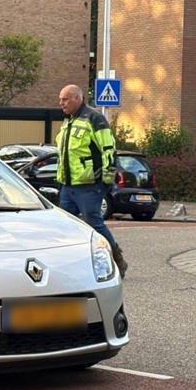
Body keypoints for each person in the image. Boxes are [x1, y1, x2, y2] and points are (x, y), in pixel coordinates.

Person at [54, 84, 128, 278]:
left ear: (77, 98)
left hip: (89, 185)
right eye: (61, 99)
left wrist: (105, 181)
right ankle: (70, 266)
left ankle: (116, 259)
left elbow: (108, 149)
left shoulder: (94, 118)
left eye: (65, 99)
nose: (61, 103)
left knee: (93, 222)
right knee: (65, 227)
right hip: (68, 185)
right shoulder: (68, 121)